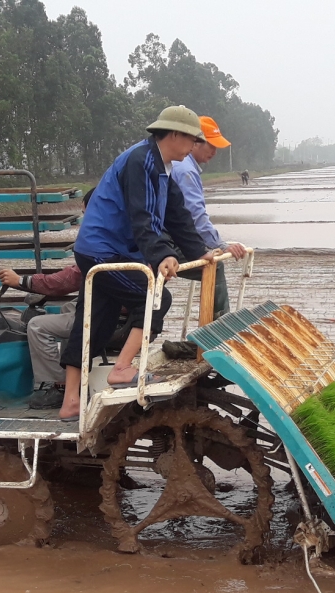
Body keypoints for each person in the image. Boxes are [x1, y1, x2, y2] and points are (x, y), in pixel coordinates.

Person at [58, 105, 215, 420]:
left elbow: (178, 217)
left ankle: (70, 402)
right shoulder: (140, 161)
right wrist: (162, 255)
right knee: (156, 298)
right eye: (191, 139)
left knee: (94, 322)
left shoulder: (163, 166)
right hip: (102, 251)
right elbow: (141, 217)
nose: (193, 146)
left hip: (110, 250)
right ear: (174, 134)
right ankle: (122, 369)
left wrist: (201, 252)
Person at [0, 189, 94, 410]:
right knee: (67, 308)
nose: (83, 216)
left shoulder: (99, 239)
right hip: (117, 308)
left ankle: (61, 386)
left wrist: (22, 281)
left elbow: (69, 279)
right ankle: (73, 373)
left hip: (103, 312)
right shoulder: (121, 233)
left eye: (86, 212)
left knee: (37, 326)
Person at [170, 116, 248, 318]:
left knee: (209, 261)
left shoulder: (181, 166)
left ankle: (210, 329)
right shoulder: (185, 170)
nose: (214, 151)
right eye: (210, 145)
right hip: (166, 239)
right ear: (194, 141)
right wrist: (220, 245)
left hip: (165, 234)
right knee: (213, 265)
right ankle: (219, 327)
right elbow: (195, 215)